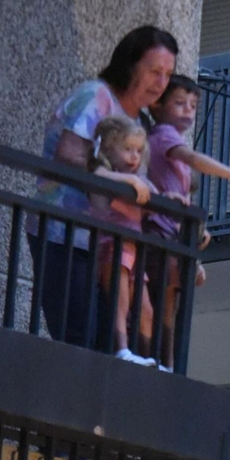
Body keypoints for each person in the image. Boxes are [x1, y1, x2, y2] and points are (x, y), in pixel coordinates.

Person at [30, 26, 176, 350]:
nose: (161, 82)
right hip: (67, 232)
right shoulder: (96, 95)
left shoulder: (141, 123)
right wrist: (117, 181)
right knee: (81, 335)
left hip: (113, 245)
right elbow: (68, 155)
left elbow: (141, 185)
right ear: (129, 65)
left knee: (110, 341)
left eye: (168, 74)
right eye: (154, 71)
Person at [142, 75, 230, 367]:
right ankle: (163, 362)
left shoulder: (162, 138)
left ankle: (163, 362)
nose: (188, 111)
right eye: (180, 103)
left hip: (170, 233)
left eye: (193, 106)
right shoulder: (164, 136)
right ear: (157, 104)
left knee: (167, 303)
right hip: (158, 232)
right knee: (165, 304)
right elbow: (192, 158)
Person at [87, 115, 159, 366]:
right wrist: (131, 180)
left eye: (138, 151)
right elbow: (99, 176)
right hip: (112, 245)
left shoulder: (140, 182)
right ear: (109, 149)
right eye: (127, 149)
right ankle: (122, 349)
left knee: (145, 308)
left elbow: (157, 198)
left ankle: (148, 355)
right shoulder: (105, 172)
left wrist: (171, 197)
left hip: (132, 249)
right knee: (120, 301)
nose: (134, 157)